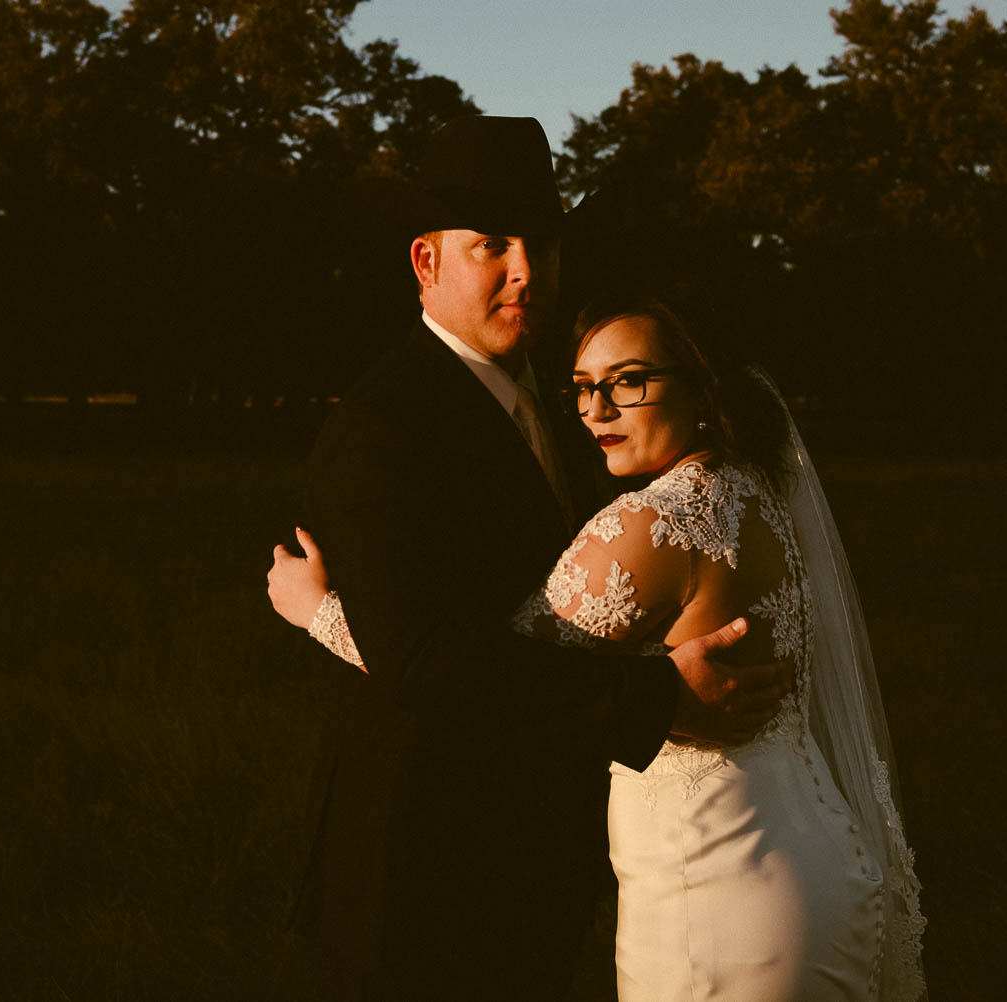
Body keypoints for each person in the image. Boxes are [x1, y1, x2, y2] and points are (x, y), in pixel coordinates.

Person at [271, 291, 928, 999]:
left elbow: (475, 668)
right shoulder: (756, 489)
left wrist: (317, 611)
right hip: (821, 850)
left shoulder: (649, 526)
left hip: (716, 887)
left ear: (704, 387)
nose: (595, 411)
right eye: (583, 388)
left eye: (629, 382)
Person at [278, 115, 791, 1002]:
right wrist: (661, 695)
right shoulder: (383, 429)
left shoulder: (558, 402)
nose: (526, 270)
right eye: (493, 245)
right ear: (426, 262)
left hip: (528, 852)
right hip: (421, 868)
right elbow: (424, 659)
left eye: (543, 246)